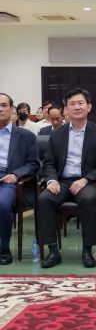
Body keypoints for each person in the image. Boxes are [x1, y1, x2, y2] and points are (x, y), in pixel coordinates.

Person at [38, 88, 96, 269]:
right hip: (62, 181)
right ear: (66, 109)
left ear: (89, 107)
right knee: (45, 199)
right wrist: (52, 180)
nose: (77, 107)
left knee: (88, 198)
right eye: (72, 104)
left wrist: (85, 180)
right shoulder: (57, 134)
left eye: (81, 103)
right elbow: (49, 163)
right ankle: (53, 251)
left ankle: (87, 250)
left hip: (86, 181)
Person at [0, 93, 39, 265]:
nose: (0, 109)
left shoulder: (26, 136)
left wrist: (16, 175)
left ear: (11, 110)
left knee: (2, 204)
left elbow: (34, 164)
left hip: (9, 179)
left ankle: (4, 249)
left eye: (3, 105)